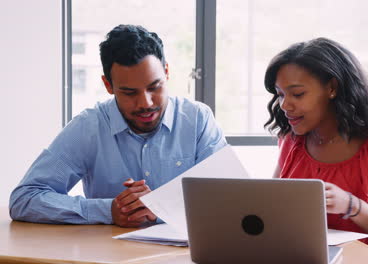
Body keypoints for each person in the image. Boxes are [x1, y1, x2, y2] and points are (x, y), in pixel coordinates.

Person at [9, 24, 227, 227]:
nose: (146, 103)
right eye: (130, 92)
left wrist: (159, 209)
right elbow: (24, 199)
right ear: (108, 85)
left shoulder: (198, 120)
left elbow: (228, 198)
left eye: (154, 87)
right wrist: (109, 210)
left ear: (167, 72)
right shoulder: (89, 127)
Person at [264, 38, 368, 254]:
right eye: (280, 94)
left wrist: (352, 206)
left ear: (332, 88)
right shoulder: (292, 139)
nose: (285, 105)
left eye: (297, 94)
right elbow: (273, 209)